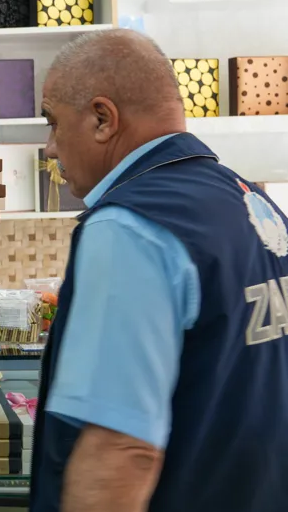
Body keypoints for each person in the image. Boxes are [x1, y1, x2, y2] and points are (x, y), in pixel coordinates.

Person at [31, 29, 288, 512]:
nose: (50, 148)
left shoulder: (130, 227)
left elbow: (121, 449)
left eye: (53, 122)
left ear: (102, 119)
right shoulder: (253, 204)